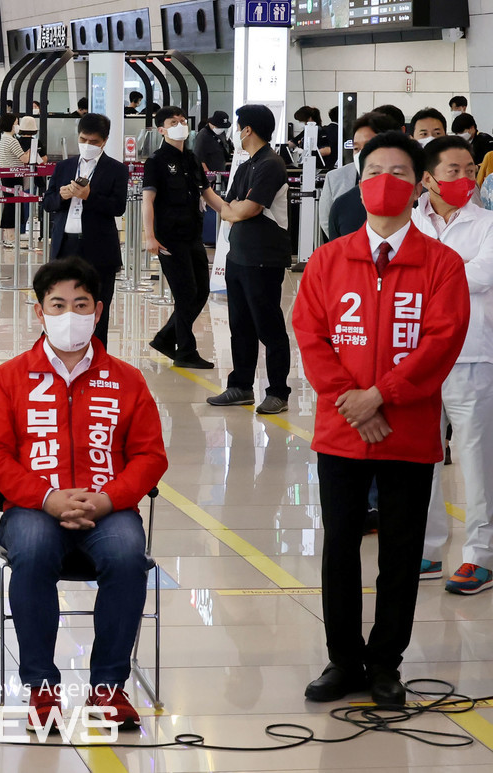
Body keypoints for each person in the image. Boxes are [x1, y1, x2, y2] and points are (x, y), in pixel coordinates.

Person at [293, 130, 470, 707]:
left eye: (398, 171)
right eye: (374, 171)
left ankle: (386, 662)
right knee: (340, 547)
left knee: (400, 551)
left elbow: (443, 341)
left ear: (418, 181)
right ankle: (343, 660)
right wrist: (352, 400)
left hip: (408, 431)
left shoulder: (441, 263)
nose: (384, 182)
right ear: (359, 179)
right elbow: (312, 335)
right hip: (341, 431)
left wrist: (383, 396)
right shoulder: (328, 258)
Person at [0, 258, 168, 732]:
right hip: (34, 507)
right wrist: (46, 498)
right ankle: (42, 686)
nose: (69, 314)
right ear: (39, 312)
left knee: (126, 556)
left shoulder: (126, 379)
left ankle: (108, 687)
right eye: (57, 304)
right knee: (35, 552)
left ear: (98, 311)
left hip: (109, 507)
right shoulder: (10, 377)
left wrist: (107, 499)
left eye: (80, 304)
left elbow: (149, 456)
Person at [410, 136, 493, 592]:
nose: (465, 179)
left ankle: (481, 556)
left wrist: (431, 275)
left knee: (476, 460)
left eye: (470, 169)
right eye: (453, 171)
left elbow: (481, 276)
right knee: (423, 459)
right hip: (419, 360)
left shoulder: (488, 224)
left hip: (472, 356)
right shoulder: (408, 223)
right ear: (428, 178)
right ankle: (426, 549)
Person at [201, 105, 292, 414]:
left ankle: (278, 390)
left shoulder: (271, 164)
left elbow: (244, 210)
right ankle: (240, 386)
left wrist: (234, 209)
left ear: (249, 129)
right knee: (239, 325)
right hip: (239, 257)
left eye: (239, 127)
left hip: (263, 257)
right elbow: (229, 209)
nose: (236, 133)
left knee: (268, 326)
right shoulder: (245, 166)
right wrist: (204, 190)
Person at [42, 113, 128, 349]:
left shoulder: (116, 170)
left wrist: (89, 196)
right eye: (83, 140)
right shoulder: (64, 166)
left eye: (94, 142)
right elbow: (47, 203)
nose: (87, 145)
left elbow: (118, 207)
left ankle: (98, 359)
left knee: (97, 308)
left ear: (105, 140)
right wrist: (60, 196)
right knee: (60, 304)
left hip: (98, 248)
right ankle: (60, 351)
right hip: (65, 246)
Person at [142, 106, 214, 369]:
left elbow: (207, 194)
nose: (180, 125)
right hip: (169, 238)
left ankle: (164, 338)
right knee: (185, 295)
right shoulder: (156, 161)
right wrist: (149, 236)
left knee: (201, 291)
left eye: (183, 121)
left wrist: (232, 211)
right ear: (162, 130)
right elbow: (148, 201)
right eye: (174, 122)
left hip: (193, 235)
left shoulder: (192, 159)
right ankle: (185, 350)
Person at [320, 112, 397, 239]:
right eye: (356, 148)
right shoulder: (343, 198)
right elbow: (329, 224)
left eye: (368, 146)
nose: (361, 154)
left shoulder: (407, 188)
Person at [0, 112, 31, 247]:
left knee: (9, 205)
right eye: (16, 123)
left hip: (6, 175)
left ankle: (8, 236)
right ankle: (11, 237)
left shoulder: (3, 139)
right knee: (13, 206)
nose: (17, 125)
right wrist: (30, 152)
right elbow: (24, 159)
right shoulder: (12, 141)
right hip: (14, 176)